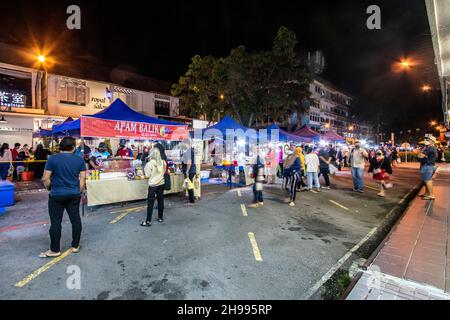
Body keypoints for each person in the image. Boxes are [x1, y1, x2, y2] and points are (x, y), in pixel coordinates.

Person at [40, 137, 86, 258]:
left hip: (56, 194)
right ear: (73, 147)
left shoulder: (53, 159)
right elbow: (82, 179)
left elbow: (45, 178)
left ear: (60, 146)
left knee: (55, 222)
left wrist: (50, 188)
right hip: (74, 194)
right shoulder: (80, 160)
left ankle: (55, 250)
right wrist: (78, 191)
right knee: (75, 220)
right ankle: (75, 246)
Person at [140, 145, 167, 226]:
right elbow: (164, 172)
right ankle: (160, 218)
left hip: (153, 186)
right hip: (161, 184)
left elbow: (147, 175)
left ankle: (148, 221)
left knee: (150, 203)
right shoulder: (163, 162)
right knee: (160, 201)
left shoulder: (149, 164)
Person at [417, 136, 438, 200]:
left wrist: (420, 152)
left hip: (427, 166)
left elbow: (420, 156)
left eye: (428, 139)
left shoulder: (430, 148)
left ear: (432, 141)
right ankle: (427, 193)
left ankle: (431, 195)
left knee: (427, 180)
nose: (426, 140)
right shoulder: (433, 148)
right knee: (426, 180)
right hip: (429, 165)